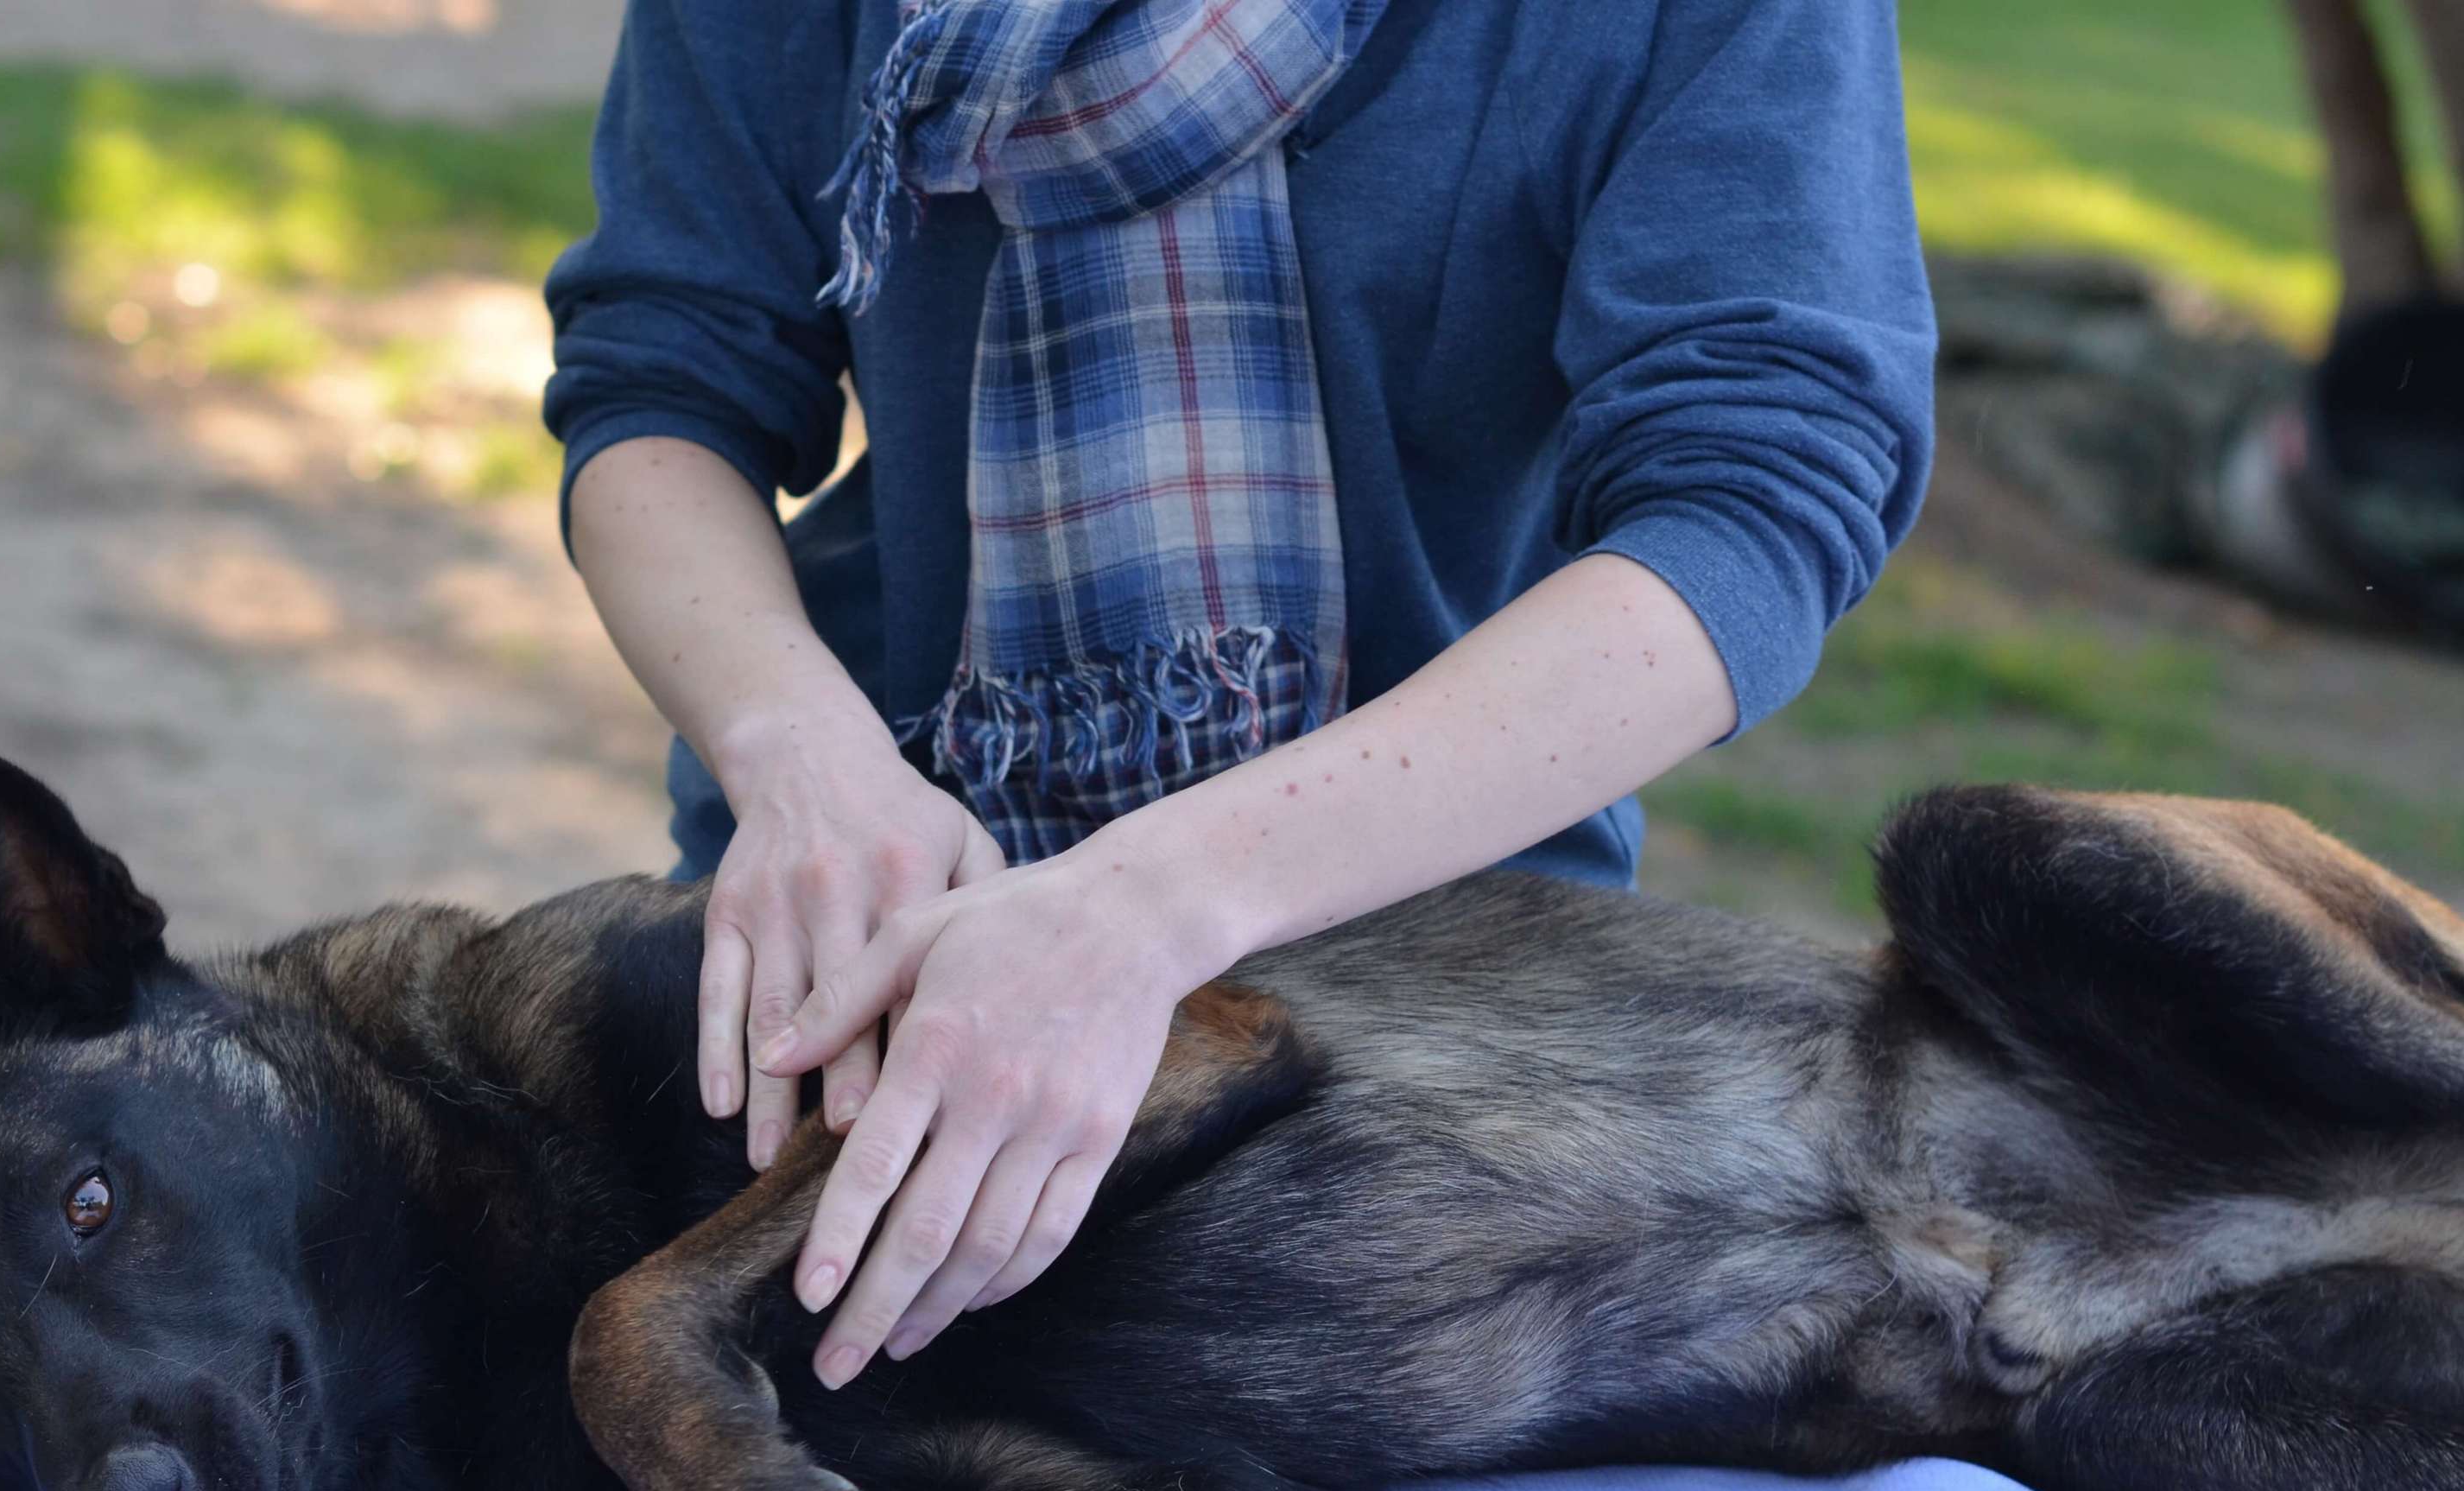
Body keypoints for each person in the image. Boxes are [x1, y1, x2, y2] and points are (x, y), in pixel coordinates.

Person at [543, 0, 1936, 1392]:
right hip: (855, 956)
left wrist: (1140, 910)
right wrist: (806, 765)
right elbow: (663, 384)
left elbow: (1753, 497)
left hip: (1427, 1014)